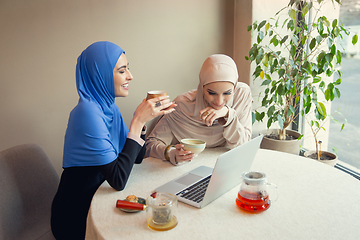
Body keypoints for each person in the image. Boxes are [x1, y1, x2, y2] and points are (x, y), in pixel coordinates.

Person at [50, 41, 175, 239]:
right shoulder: (87, 113)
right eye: (122, 71)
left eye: (128, 69)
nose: (130, 76)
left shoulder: (108, 107)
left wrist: (142, 123)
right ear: (101, 74)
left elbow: (137, 157)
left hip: (100, 197)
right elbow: (118, 180)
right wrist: (137, 120)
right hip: (76, 215)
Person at [145, 54, 252, 165]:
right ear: (202, 87)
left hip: (226, 165)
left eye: (227, 93)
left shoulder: (241, 95)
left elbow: (243, 147)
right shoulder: (183, 105)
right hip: (187, 167)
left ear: (234, 88)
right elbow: (151, 144)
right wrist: (171, 153)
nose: (219, 102)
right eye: (211, 93)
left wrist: (228, 114)